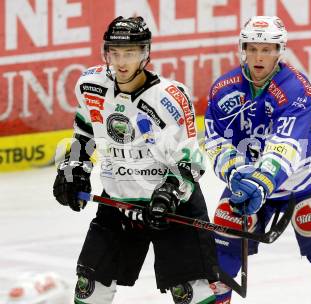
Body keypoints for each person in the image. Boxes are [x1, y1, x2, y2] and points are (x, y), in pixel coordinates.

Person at [53, 16, 219, 304]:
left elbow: (191, 160)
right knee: (90, 287)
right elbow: (84, 131)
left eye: (129, 53)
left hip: (171, 204)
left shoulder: (170, 97)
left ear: (145, 54)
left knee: (190, 292)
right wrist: (74, 169)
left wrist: (169, 194)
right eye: (114, 53)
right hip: (120, 199)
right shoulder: (91, 85)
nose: (120, 62)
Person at [205, 16, 311, 303]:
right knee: (217, 272)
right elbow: (215, 140)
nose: (258, 56)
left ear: (279, 51)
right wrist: (234, 173)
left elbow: (286, 147)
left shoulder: (296, 89)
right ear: (242, 48)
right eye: (252, 48)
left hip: (306, 182)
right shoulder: (223, 89)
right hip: (248, 182)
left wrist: (260, 182)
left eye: (266, 49)